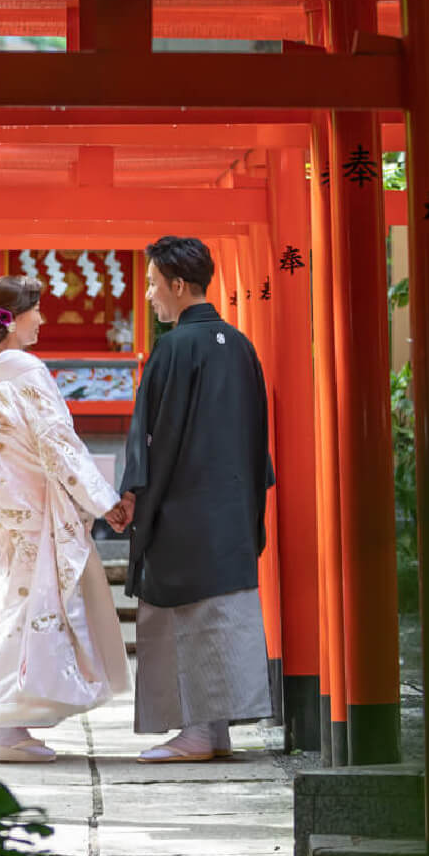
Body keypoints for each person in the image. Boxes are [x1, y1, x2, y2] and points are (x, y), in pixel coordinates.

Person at [0, 275, 131, 763]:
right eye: (37, 310)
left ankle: (13, 725)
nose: (44, 319)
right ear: (14, 317)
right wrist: (103, 500)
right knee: (33, 614)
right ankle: (10, 730)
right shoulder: (26, 372)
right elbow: (58, 445)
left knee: (7, 611)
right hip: (32, 516)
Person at [104, 236, 274, 763]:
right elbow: (255, 436)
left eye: (154, 284)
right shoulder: (241, 345)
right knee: (223, 613)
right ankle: (215, 731)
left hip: (184, 508)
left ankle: (197, 733)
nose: (151, 296)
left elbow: (154, 435)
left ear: (179, 285)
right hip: (232, 506)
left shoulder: (174, 349)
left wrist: (135, 494)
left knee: (188, 616)